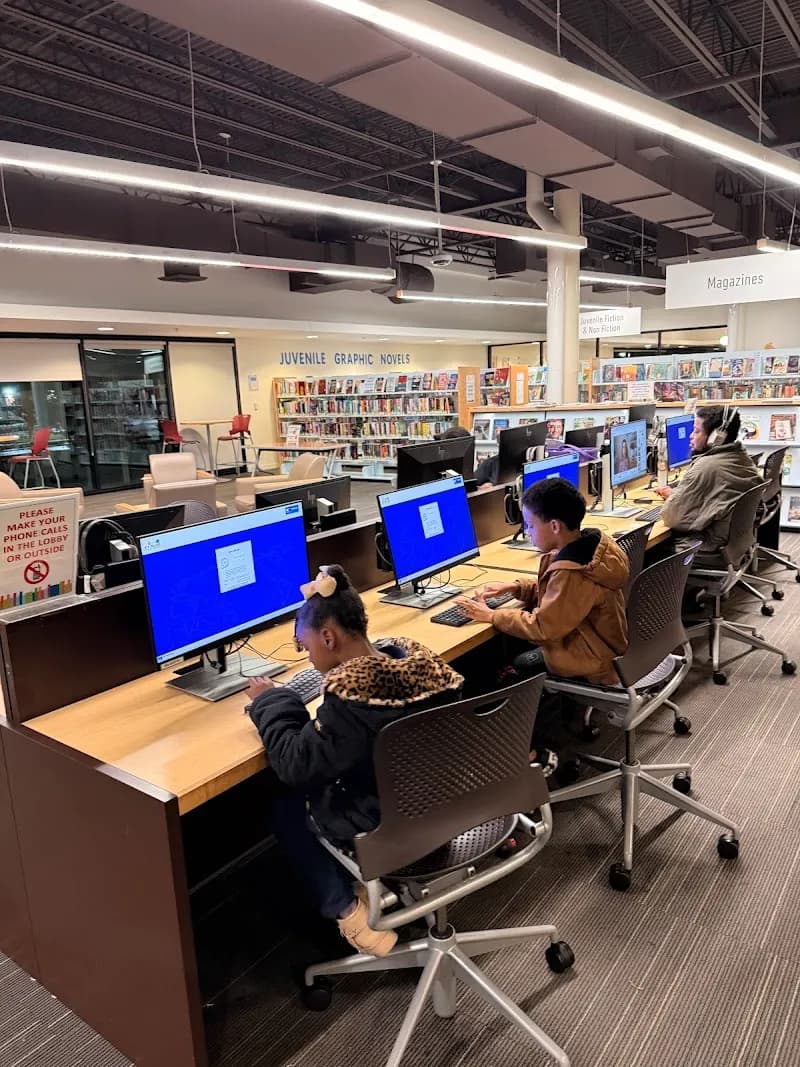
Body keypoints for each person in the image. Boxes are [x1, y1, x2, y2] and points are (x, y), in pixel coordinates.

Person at [246, 565, 463, 957]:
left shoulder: (351, 697)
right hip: (446, 806)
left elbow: (295, 763)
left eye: (306, 647)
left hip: (390, 824)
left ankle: (347, 912)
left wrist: (272, 700)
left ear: (328, 637)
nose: (308, 658)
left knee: (285, 803)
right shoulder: (416, 661)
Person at [455, 478, 629, 768]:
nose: (527, 531)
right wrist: (515, 587)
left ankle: (537, 750)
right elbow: (561, 601)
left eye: (531, 525)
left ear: (555, 526)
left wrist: (492, 615)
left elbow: (543, 628)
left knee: (515, 667)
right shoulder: (587, 549)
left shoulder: (573, 571)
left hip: (590, 655)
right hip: (596, 640)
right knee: (508, 648)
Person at [656, 406, 762, 562]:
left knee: (646, 549)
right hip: (731, 540)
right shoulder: (740, 456)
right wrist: (679, 496)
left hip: (709, 543)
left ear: (716, 437)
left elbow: (671, 518)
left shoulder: (707, 467)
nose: (691, 436)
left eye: (697, 431)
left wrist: (674, 499)